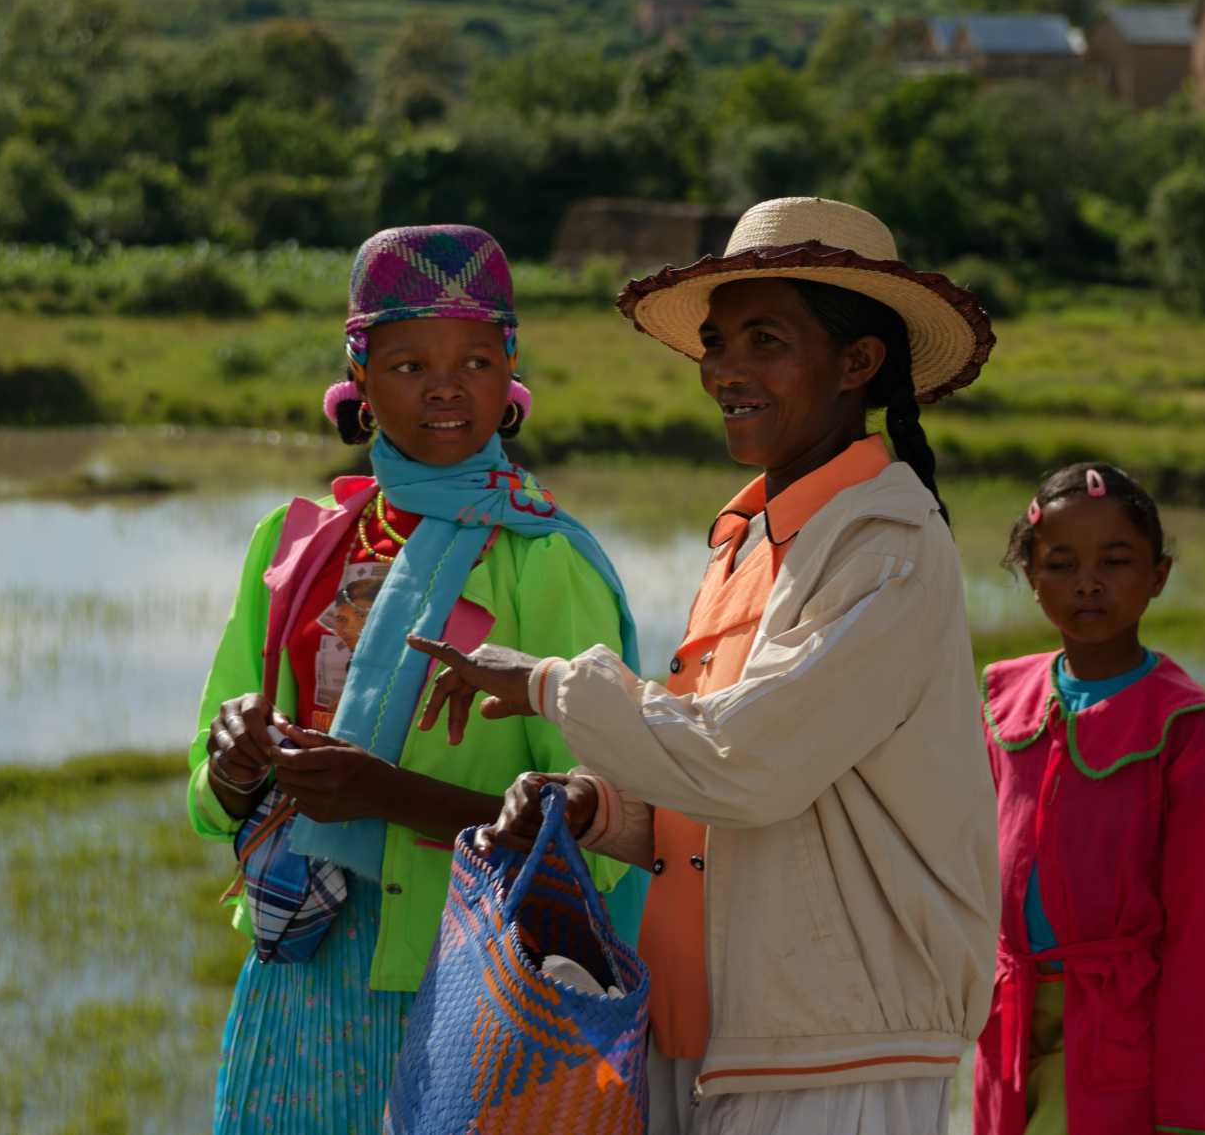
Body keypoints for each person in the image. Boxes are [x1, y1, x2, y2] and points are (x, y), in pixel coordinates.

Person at [408, 196, 1003, 1135]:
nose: (726, 370)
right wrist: (595, 807)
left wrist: (546, 684)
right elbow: (711, 786)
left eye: (767, 340)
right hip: (704, 1031)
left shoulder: (884, 545)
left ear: (858, 362)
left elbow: (748, 764)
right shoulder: (750, 536)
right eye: (717, 343)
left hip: (832, 1052)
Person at [186, 225, 644, 1135]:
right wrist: (235, 766)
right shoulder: (297, 544)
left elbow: (595, 832)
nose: (445, 387)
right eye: (407, 365)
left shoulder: (544, 562)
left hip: (475, 986)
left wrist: (384, 795)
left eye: (476, 360)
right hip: (299, 973)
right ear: (357, 377)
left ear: (509, 374)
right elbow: (207, 796)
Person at [970, 463, 1205, 1135]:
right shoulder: (1002, 704)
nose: (1088, 582)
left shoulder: (1191, 735)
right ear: (1030, 575)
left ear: (1158, 575)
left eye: (1116, 561)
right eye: (1061, 563)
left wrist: (1188, 1118)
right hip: (1007, 1029)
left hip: (1117, 1041)